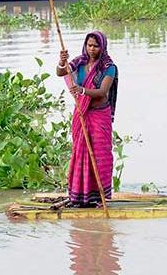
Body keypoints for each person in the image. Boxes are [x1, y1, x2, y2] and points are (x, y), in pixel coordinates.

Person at [57, 31, 118, 207]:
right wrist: (62, 62)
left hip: (99, 115)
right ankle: (81, 196)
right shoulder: (79, 62)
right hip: (82, 115)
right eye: (89, 45)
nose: (92, 49)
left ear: (102, 47)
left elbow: (102, 92)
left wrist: (82, 91)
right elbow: (61, 73)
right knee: (80, 153)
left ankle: (101, 197)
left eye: (96, 46)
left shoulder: (108, 67)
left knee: (101, 156)